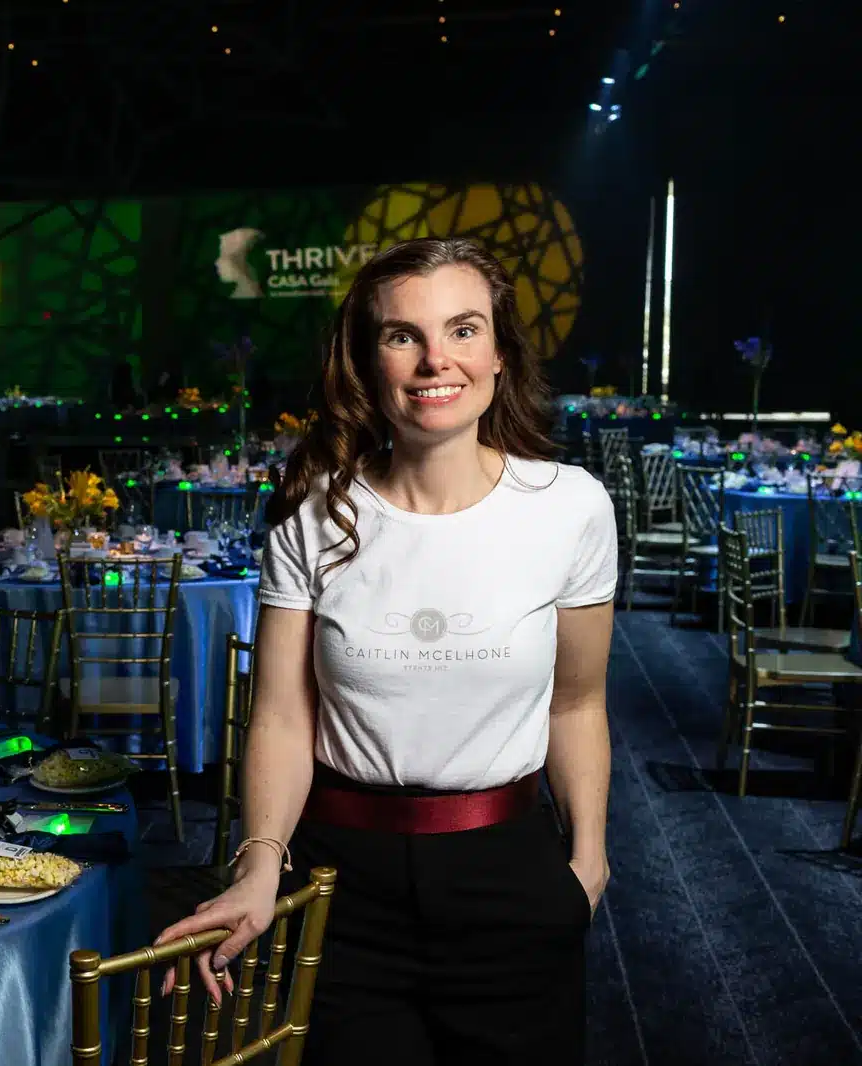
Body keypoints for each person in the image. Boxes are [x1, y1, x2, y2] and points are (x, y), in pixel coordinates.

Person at [154, 237, 616, 1065]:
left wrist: (587, 861)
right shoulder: (310, 514)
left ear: (501, 353)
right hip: (342, 882)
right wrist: (260, 867)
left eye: (464, 329)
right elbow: (285, 721)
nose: (436, 359)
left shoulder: (570, 507)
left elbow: (576, 703)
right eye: (403, 335)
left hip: (508, 869)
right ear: (367, 363)